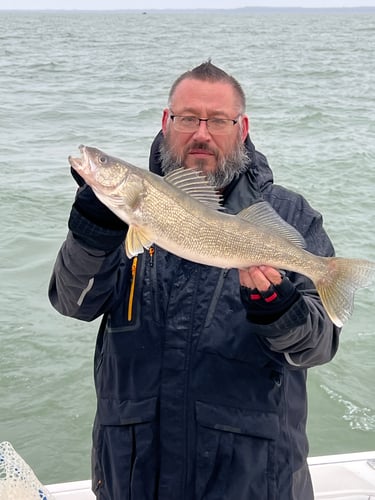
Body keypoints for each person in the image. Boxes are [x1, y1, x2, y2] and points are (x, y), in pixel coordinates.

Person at [49, 61, 340, 500]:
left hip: (252, 483)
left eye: (218, 121)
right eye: (187, 119)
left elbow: (316, 347)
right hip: (135, 479)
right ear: (167, 123)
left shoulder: (290, 215)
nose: (201, 133)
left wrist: (281, 311)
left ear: (242, 128)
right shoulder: (122, 214)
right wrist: (90, 233)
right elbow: (74, 302)